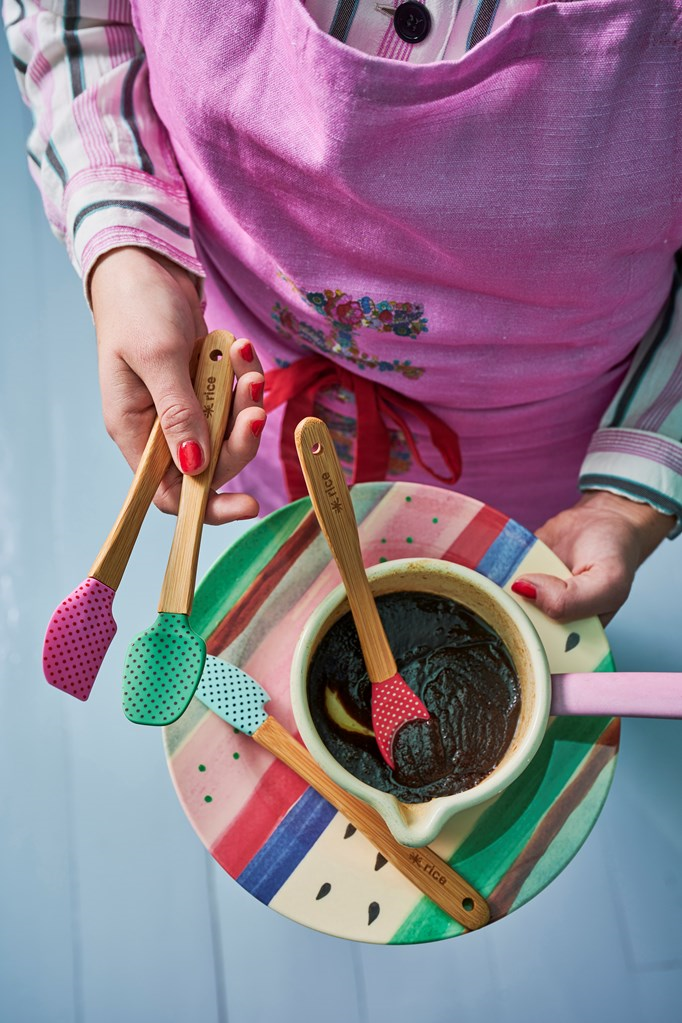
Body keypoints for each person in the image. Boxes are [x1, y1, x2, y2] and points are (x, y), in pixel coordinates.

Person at [4, 0, 681, 626]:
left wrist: (626, 499)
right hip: (260, 402)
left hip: (546, 465)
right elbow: (82, 20)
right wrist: (129, 250)